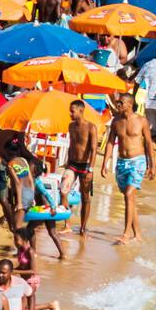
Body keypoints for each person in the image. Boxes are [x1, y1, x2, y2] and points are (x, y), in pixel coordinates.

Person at [103, 92, 156, 244]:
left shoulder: (142, 121)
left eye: (121, 102)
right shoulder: (116, 121)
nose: (118, 105)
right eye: (118, 102)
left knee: (128, 194)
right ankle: (137, 234)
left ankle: (126, 234)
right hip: (121, 163)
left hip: (138, 162)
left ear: (130, 104)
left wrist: (152, 165)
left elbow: (148, 144)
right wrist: (105, 162)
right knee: (130, 199)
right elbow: (110, 142)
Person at [65, 100, 98, 235]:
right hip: (72, 164)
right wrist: (67, 162)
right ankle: (67, 224)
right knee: (63, 191)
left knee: (85, 197)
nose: (70, 113)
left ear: (81, 111)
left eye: (72, 111)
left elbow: (94, 149)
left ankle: (83, 228)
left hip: (85, 166)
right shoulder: (71, 126)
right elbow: (71, 145)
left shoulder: (91, 127)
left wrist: (91, 168)